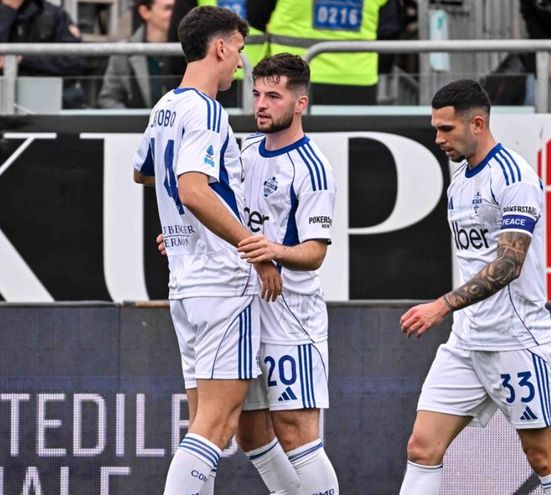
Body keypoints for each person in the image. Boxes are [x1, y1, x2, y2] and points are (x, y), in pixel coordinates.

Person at [398, 80, 551, 494]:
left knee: (542, 455)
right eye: (435, 128)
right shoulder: (460, 182)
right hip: (466, 341)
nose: (438, 138)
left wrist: (443, 305)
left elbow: (509, 264)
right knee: (422, 447)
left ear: (477, 124)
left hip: (515, 340)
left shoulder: (515, 178)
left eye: (447, 129)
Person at [132, 6, 282, 494]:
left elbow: (144, 171)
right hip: (222, 280)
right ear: (219, 47)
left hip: (186, 283)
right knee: (215, 427)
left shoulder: (166, 106)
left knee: (205, 423)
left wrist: (180, 221)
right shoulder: (207, 109)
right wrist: (253, 248)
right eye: (239, 48)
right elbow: (193, 188)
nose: (240, 61)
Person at [237, 53, 339, 495]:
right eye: (257, 93)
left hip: (290, 314)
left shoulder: (313, 167)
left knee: (295, 429)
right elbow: (225, 216)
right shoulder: (243, 151)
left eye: (274, 96)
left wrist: (274, 251)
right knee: (249, 432)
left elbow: (315, 252)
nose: (261, 104)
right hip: (243, 309)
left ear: (300, 103)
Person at [249, 0, 388, 105]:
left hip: (292, 78)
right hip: (357, 80)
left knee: (290, 135)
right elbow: (389, 29)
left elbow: (255, 16)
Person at [0, 0, 86, 108]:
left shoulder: (52, 14)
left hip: (48, 99)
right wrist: (7, 10)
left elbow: (74, 62)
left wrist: (22, 59)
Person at [98, 0, 178, 109]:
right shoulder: (124, 52)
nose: (175, 13)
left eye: (176, 8)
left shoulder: (187, 48)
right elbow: (109, 98)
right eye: (167, 8)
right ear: (144, 12)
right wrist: (131, 118)